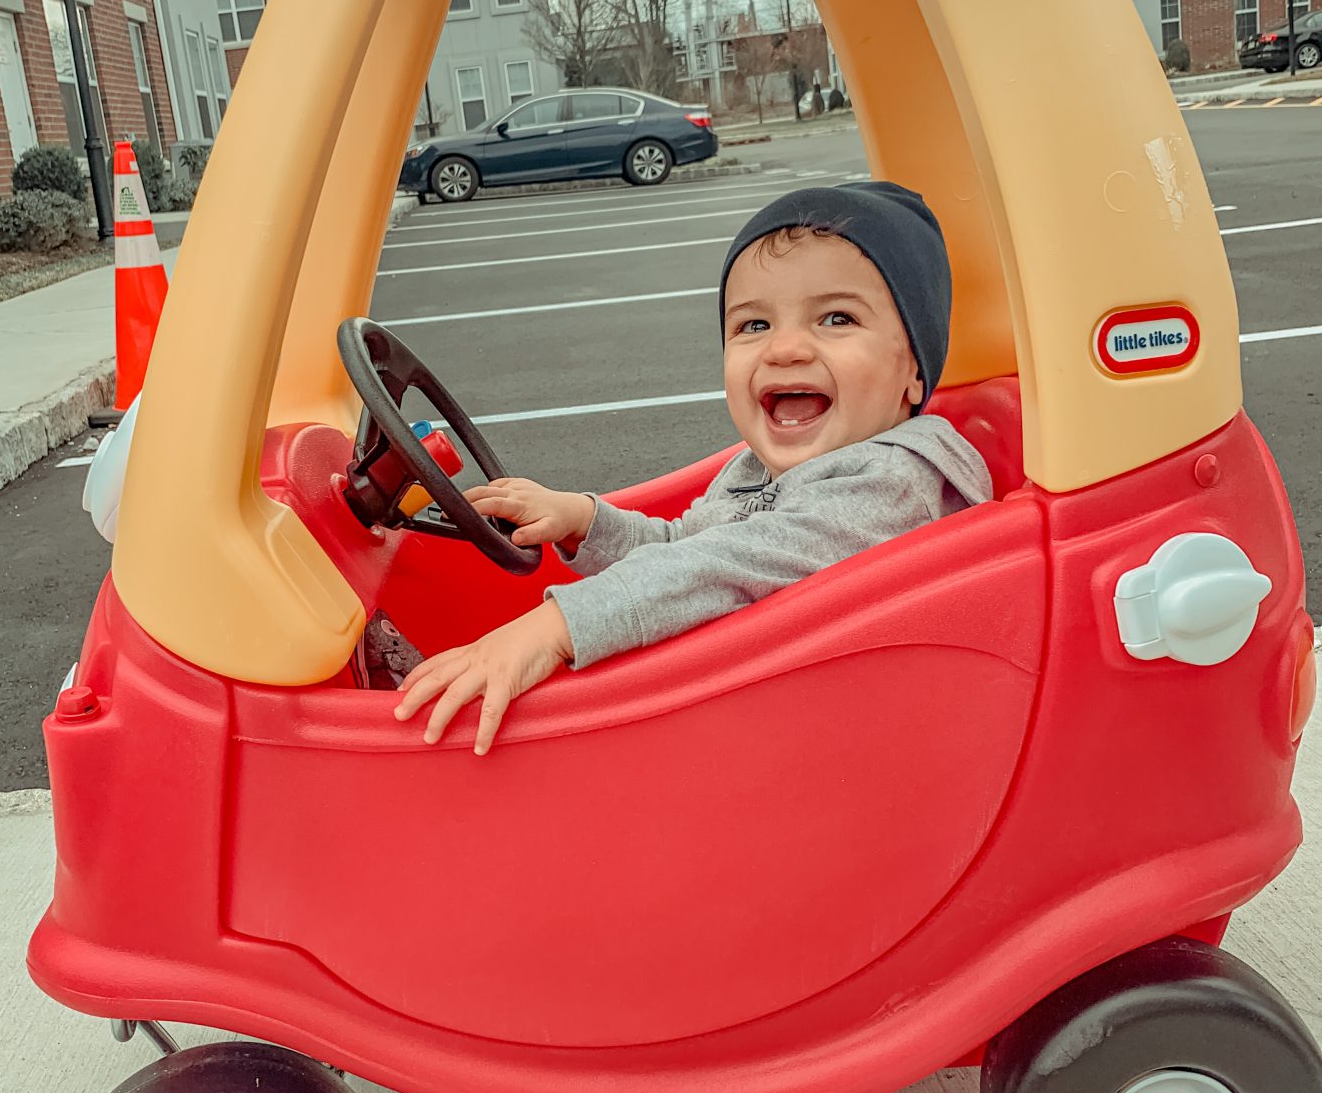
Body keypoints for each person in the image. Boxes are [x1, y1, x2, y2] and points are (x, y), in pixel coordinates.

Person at [391, 182, 992, 754]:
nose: (784, 348)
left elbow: (719, 567)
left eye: (837, 318)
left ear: (915, 371)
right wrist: (583, 520)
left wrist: (553, 629)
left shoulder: (889, 487)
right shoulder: (760, 467)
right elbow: (689, 543)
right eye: (754, 324)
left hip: (816, 739)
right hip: (746, 706)